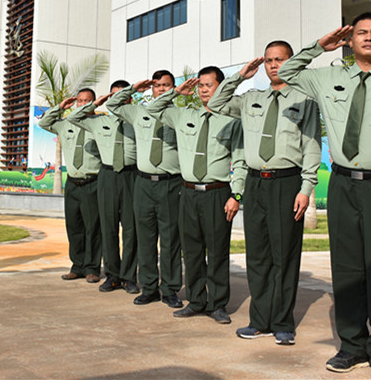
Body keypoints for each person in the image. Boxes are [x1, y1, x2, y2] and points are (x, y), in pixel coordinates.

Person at [278, 13, 371, 380]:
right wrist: (319, 46)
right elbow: (288, 72)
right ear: (351, 40)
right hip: (344, 185)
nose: (368, 37)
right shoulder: (327, 78)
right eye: (361, 32)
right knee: (346, 268)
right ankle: (352, 345)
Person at [208, 42, 321, 345]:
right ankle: (259, 321)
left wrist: (306, 188)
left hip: (287, 182)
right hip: (256, 183)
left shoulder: (305, 100)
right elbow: (216, 103)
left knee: (284, 256)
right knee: (257, 256)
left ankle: (282, 322)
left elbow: (312, 146)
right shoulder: (250, 99)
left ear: (291, 62)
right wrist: (239, 77)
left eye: (280, 60)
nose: (273, 65)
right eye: (269, 60)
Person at [145, 67, 245, 324]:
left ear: (221, 87)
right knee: (191, 251)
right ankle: (197, 301)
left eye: (209, 85)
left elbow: (240, 160)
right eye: (200, 85)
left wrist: (236, 195)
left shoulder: (232, 121)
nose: (203, 90)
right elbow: (153, 109)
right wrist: (176, 93)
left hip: (217, 193)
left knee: (217, 251)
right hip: (188, 193)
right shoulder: (184, 115)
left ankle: (218, 304)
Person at [106, 70, 183, 308]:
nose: (162, 89)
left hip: (170, 183)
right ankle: (149, 287)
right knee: (145, 238)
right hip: (143, 184)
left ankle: (169, 289)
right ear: (152, 89)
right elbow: (112, 104)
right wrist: (133, 89)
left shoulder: (180, 115)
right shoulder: (138, 112)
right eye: (158, 85)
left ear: (174, 88)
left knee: (170, 239)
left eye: (166, 85)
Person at [69, 81, 139, 294]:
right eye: (114, 96)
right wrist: (95, 104)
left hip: (131, 176)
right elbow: (74, 117)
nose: (118, 100)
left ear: (130, 99)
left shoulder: (138, 121)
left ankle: (129, 277)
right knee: (108, 228)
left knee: (131, 230)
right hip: (107, 176)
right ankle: (112, 275)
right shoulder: (99, 121)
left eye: (123, 96)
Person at [39, 88, 102, 284]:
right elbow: (43, 122)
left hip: (92, 182)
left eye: (87, 101)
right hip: (73, 184)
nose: (82, 104)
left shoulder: (100, 124)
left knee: (93, 228)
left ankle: (92, 268)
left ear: (94, 103)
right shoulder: (65, 124)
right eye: (79, 101)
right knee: (74, 227)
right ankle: (77, 266)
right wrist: (60, 107)